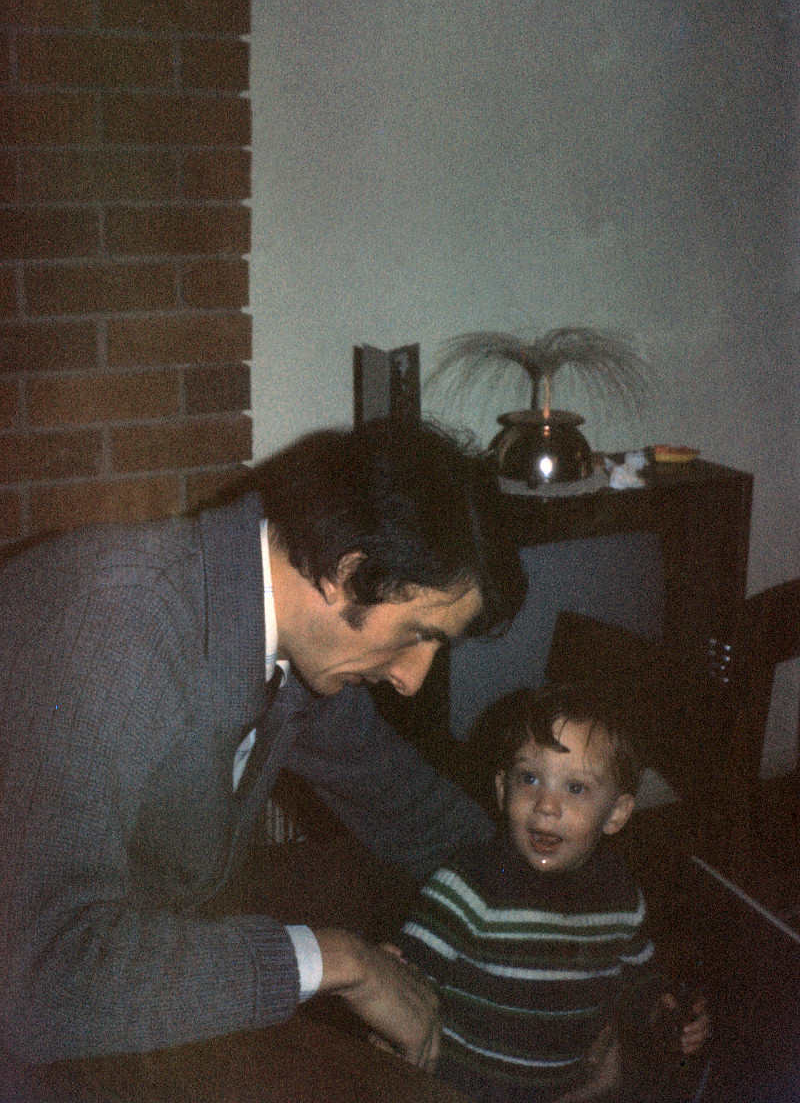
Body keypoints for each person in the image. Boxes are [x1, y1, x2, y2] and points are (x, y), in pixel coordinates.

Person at [0, 419, 527, 1073]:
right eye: (415, 634)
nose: (412, 679)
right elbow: (42, 981)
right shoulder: (117, 624)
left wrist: (572, 941)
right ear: (343, 574)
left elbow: (414, 811)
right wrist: (341, 961)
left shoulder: (287, 635)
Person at [398, 683, 710, 1102]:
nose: (546, 804)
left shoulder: (619, 896)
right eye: (529, 779)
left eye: (575, 788)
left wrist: (663, 1009)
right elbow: (403, 985)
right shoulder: (467, 887)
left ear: (616, 814)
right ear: (502, 790)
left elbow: (636, 978)